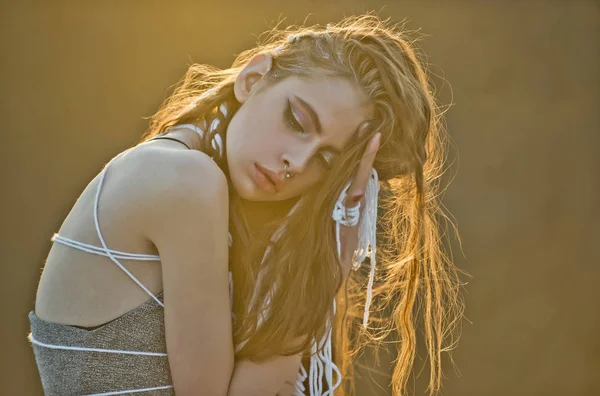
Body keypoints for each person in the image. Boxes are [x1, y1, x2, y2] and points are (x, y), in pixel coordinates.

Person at [28, 14, 464, 396]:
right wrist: (332, 259)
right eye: (297, 120)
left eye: (327, 163)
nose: (297, 161)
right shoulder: (185, 181)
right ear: (253, 78)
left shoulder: (202, 183)